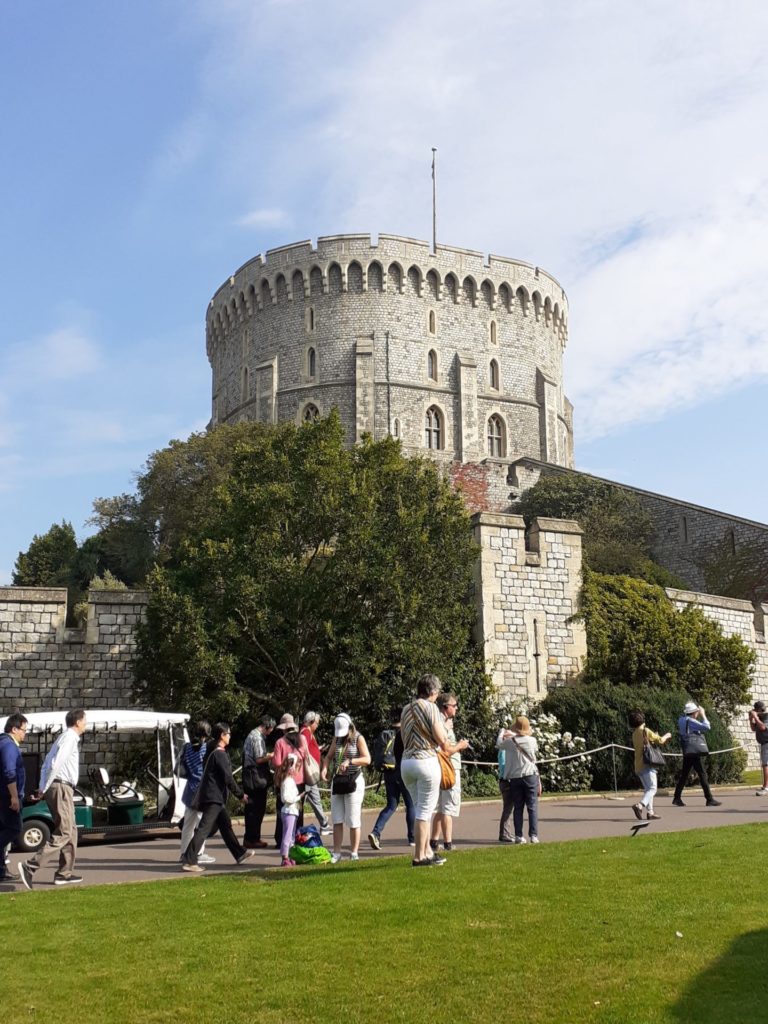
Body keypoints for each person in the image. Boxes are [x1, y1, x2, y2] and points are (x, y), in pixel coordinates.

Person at [400, 673, 465, 867]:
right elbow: (443, 742)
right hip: (425, 761)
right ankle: (420, 856)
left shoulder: (406, 709)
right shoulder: (431, 708)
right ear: (433, 691)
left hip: (406, 763)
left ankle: (428, 851)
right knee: (425, 810)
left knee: (422, 807)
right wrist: (445, 729)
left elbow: (403, 737)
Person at [19, 708, 87, 889]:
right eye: (85, 721)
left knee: (71, 831)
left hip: (60, 786)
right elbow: (55, 764)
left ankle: (64, 873)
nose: (86, 724)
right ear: (78, 722)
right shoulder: (70, 738)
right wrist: (45, 787)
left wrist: (43, 787)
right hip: (61, 787)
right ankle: (30, 866)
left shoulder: (63, 737)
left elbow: (46, 764)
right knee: (65, 831)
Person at [181, 722, 255, 873]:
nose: (230, 737)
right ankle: (189, 860)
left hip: (213, 796)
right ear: (222, 735)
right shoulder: (219, 754)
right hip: (213, 796)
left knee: (225, 825)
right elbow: (228, 778)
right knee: (203, 828)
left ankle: (239, 853)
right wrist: (240, 795)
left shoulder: (210, 749)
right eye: (228, 734)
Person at [321, 713, 371, 863]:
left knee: (353, 818)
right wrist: (324, 768)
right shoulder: (336, 739)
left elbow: (367, 759)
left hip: (353, 781)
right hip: (338, 781)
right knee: (337, 818)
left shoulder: (358, 738)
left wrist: (350, 761)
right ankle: (337, 853)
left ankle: (354, 852)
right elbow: (329, 756)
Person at [367, 707, 415, 850]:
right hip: (403, 772)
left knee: (391, 806)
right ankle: (412, 838)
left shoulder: (385, 734)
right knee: (410, 805)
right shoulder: (404, 734)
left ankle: (376, 832)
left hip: (389, 773)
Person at [430, 692, 468, 853]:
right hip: (448, 769)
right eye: (454, 705)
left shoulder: (443, 722)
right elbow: (444, 750)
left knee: (441, 807)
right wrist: (460, 745)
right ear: (446, 707)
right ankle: (448, 843)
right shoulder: (441, 723)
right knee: (448, 807)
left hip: (443, 768)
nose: (456, 708)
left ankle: (433, 840)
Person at [177, 719, 217, 865]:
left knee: (188, 824)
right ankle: (198, 853)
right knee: (201, 825)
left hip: (189, 789)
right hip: (201, 790)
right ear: (207, 733)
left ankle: (183, 852)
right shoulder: (205, 748)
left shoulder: (187, 747)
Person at [497, 715, 540, 844]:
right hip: (530, 775)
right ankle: (533, 835)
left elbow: (499, 745)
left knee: (518, 807)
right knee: (532, 806)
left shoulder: (510, 742)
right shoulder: (532, 740)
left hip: (515, 777)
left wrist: (501, 733)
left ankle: (518, 836)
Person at [672, 701, 722, 807]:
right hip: (694, 750)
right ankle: (709, 799)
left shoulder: (682, 719)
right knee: (702, 774)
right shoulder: (691, 721)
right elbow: (707, 727)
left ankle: (677, 797)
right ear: (694, 712)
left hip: (688, 749)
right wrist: (703, 714)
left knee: (684, 774)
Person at [272, 714, 310, 847]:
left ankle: (281, 840)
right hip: (300, 781)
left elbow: (276, 763)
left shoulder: (280, 742)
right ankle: (298, 839)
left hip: (285, 781)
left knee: (282, 810)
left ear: (283, 728)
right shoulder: (303, 739)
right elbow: (306, 756)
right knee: (298, 811)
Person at [0, 713, 28, 884]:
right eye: (23, 730)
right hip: (6, 797)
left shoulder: (3, 743)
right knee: (14, 829)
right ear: (14, 729)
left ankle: (1, 870)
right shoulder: (9, 746)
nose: (25, 734)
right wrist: (14, 797)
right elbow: (9, 772)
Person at [628, 710, 671, 821]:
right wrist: (666, 735)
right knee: (653, 788)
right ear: (642, 719)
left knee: (648, 789)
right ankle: (640, 805)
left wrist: (653, 737)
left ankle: (650, 812)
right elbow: (660, 741)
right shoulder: (645, 730)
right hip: (647, 764)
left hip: (638, 765)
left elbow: (644, 744)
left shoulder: (635, 733)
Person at [242, 715, 276, 847]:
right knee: (255, 808)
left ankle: (254, 837)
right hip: (254, 776)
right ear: (268, 726)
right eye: (271, 728)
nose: (271, 731)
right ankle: (251, 839)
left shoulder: (253, 734)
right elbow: (259, 758)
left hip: (251, 775)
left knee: (255, 808)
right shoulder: (257, 737)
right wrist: (272, 755)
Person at [300, 712, 331, 834]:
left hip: (309, 773)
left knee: (312, 799)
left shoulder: (307, 733)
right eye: (317, 723)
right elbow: (304, 750)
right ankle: (324, 824)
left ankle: (324, 823)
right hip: (308, 773)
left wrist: (318, 749)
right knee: (315, 799)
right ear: (311, 722)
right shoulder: (305, 733)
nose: (317, 726)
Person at [276, 753, 303, 866]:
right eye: (297, 767)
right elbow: (285, 798)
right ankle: (285, 857)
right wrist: (299, 797)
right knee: (287, 835)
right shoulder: (287, 781)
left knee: (291, 835)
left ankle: (290, 855)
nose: (298, 770)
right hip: (288, 812)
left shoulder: (290, 780)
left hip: (293, 812)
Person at [748, 701, 768, 795]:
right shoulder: (760, 717)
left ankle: (766, 787)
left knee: (766, 765)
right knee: (765, 765)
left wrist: (755, 716)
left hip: (767, 743)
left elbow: (763, 727)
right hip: (764, 744)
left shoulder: (766, 716)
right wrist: (751, 718)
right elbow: (753, 728)